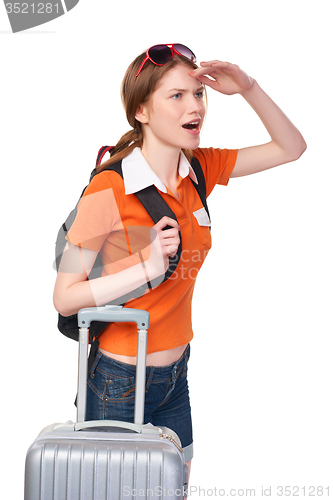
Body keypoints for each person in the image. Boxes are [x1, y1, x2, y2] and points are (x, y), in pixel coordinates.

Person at [53, 43, 306, 475]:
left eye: (198, 94)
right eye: (177, 96)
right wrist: (147, 267)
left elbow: (291, 147)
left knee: (174, 488)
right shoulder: (110, 190)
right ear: (142, 112)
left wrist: (248, 87)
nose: (196, 107)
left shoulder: (199, 169)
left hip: (176, 376)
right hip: (119, 379)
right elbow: (64, 298)